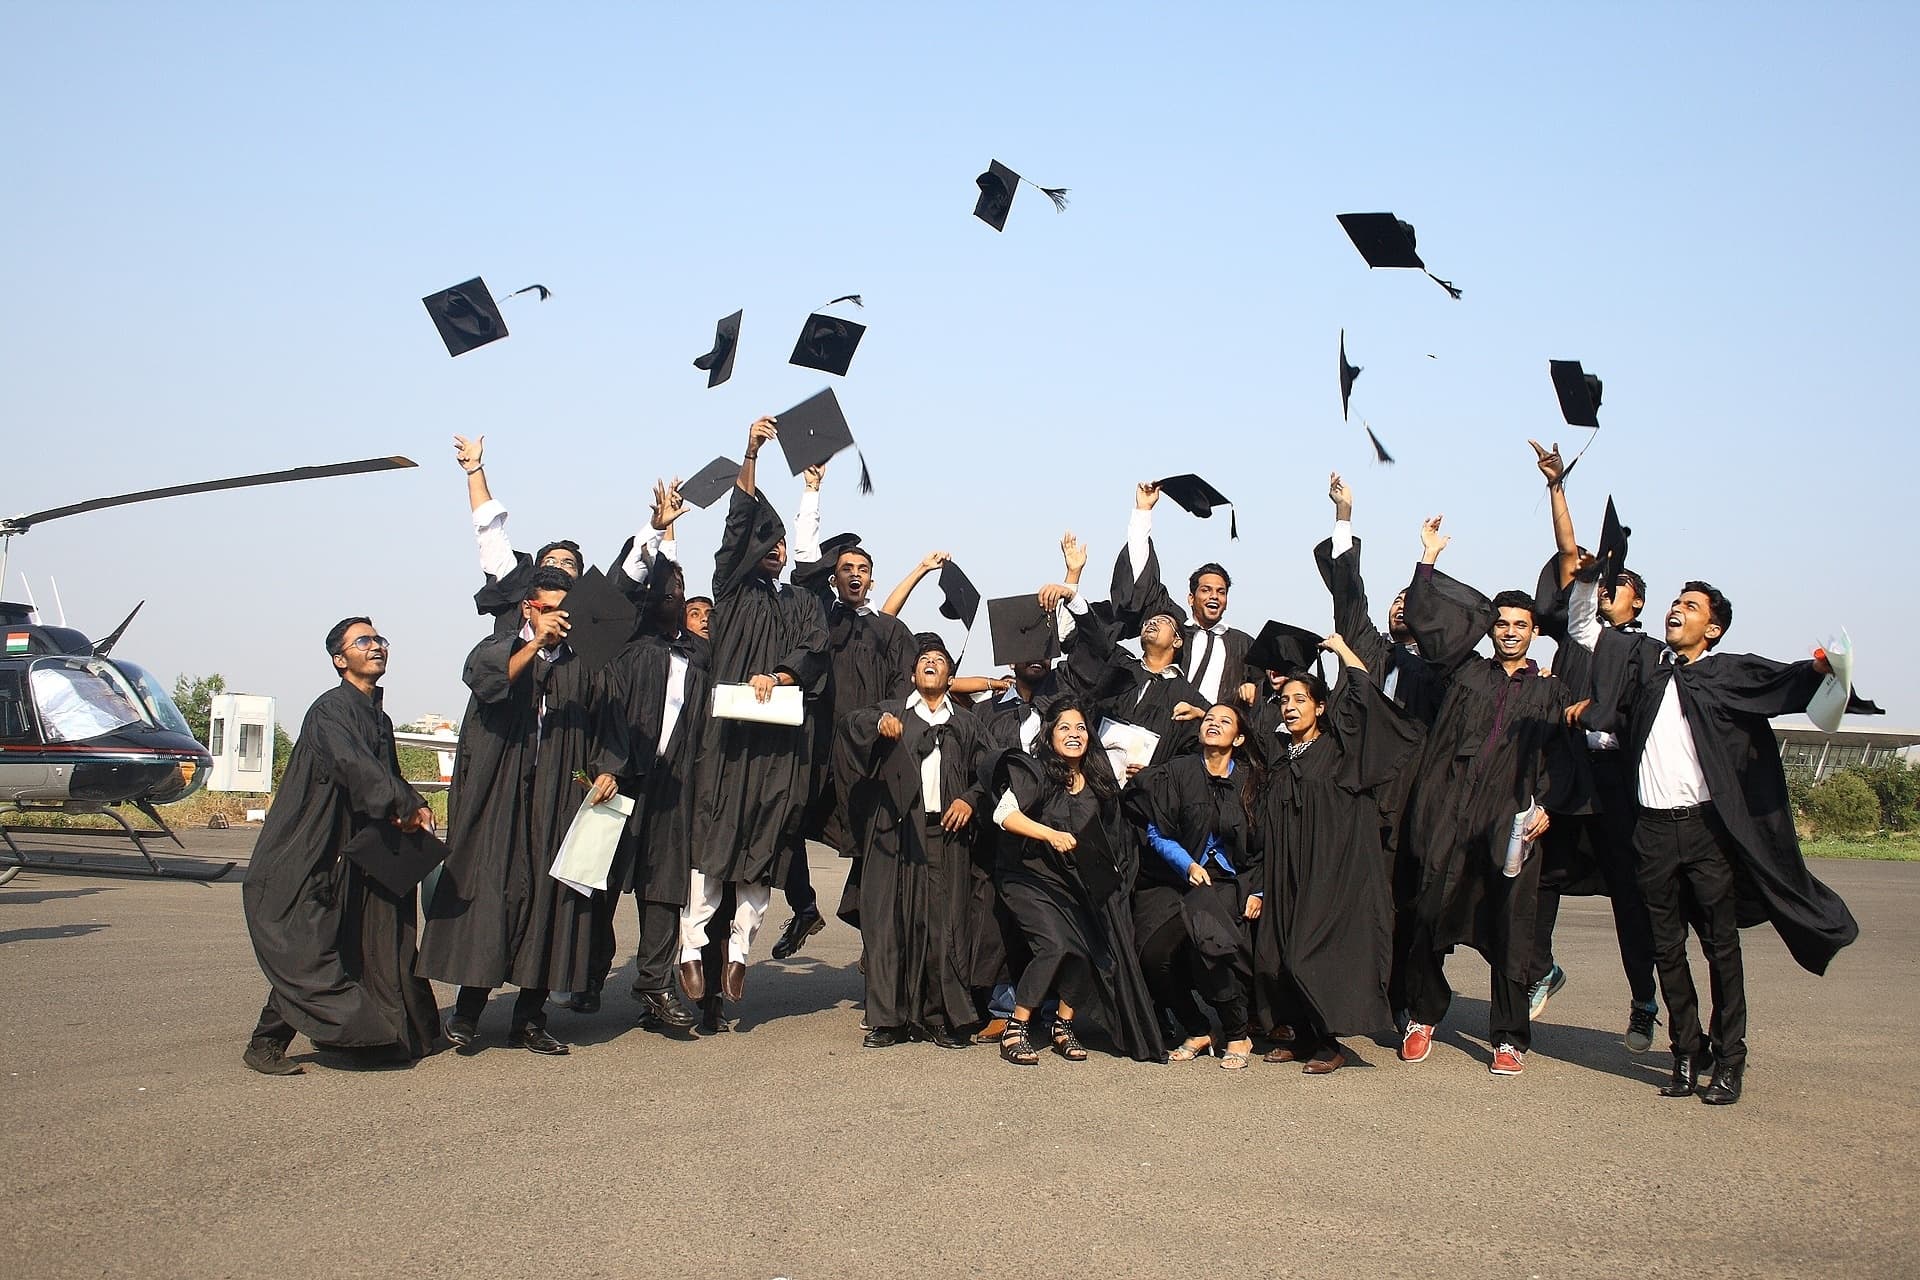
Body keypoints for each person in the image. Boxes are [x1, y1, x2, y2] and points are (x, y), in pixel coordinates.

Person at [1571, 582, 1858, 1105]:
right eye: (1676, 603)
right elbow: (1596, 645)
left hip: (1705, 831)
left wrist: (1818, 668)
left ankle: (1730, 1059)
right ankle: (1686, 1052)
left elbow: (1780, 681)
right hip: (1651, 831)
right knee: (1665, 947)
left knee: (1720, 947)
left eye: (1692, 607)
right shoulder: (1648, 670)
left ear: (1714, 628)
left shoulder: (1725, 672)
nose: (1677, 610)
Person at [417, 567, 626, 1056]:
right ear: (530, 608)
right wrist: (534, 646)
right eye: (551, 610)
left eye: (565, 611)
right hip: (500, 795)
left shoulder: (585, 664)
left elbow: (610, 724)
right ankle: (469, 1013)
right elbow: (488, 684)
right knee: (491, 898)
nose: (560, 620)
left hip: (558, 798)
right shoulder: (500, 647)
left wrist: (608, 768)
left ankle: (530, 1019)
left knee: (551, 904)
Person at [1397, 516, 1572, 1078]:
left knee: (1510, 928)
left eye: (1521, 624)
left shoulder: (1550, 691)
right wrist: (1427, 561)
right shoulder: (1466, 673)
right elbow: (1429, 625)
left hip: (1511, 817)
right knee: (1428, 911)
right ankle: (1423, 1015)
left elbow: (1565, 758)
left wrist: (1546, 805)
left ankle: (1509, 1036)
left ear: (1535, 632)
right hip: (1451, 809)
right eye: (1501, 624)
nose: (1510, 632)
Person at [241, 618, 441, 1074]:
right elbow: (353, 765)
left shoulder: (379, 717)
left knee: (370, 939)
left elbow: (385, 774)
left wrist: (414, 804)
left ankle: (379, 1035)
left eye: (379, 640)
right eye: (364, 641)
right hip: (316, 845)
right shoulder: (328, 711)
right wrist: (399, 800)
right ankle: (265, 1043)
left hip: (362, 849)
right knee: (314, 944)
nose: (376, 647)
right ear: (339, 658)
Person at [677, 417, 830, 1007]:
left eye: (784, 544)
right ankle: (692, 948)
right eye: (767, 543)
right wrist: (751, 454)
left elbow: (815, 652)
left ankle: (740, 951)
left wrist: (783, 674)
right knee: (713, 840)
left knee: (762, 843)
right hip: (728, 738)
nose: (777, 549)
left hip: (776, 744)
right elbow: (737, 520)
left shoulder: (802, 602)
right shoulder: (730, 593)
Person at [1524, 441, 1660, 1051]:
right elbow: (1570, 554)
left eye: (1619, 584)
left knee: (1629, 895)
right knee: (1543, 873)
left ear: (1640, 601)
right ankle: (1538, 969)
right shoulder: (1583, 634)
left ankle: (1643, 1000)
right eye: (1603, 584)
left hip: (1622, 784)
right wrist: (1557, 488)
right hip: (1569, 773)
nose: (1606, 589)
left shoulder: (1650, 656)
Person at [1252, 642, 1423, 1074]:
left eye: (1300, 700)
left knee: (1309, 953)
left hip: (1333, 868)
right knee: (1277, 953)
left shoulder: (1343, 750)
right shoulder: (1281, 756)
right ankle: (1302, 1034)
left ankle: (1330, 1042)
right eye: (1285, 701)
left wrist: (1343, 650)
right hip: (1287, 870)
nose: (1290, 708)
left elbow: (1366, 696)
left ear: (1321, 707)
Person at [771, 461, 917, 961]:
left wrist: (887, 719)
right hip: (818, 747)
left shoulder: (891, 632)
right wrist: (812, 493)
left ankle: (873, 939)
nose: (854, 576)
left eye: (861, 570)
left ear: (872, 579)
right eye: (845, 570)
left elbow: (901, 684)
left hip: (870, 753)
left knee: (873, 842)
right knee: (785, 825)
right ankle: (805, 905)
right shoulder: (820, 621)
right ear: (833, 581)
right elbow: (806, 563)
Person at [989, 697, 1165, 1065]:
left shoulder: (1100, 781)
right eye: (1064, 727)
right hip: (1028, 877)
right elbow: (1004, 815)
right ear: (1050, 735)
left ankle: (1062, 1024)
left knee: (1090, 948)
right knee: (1054, 944)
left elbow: (1115, 834)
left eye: (1081, 727)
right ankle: (1017, 1025)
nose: (1074, 734)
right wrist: (1049, 835)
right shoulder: (1035, 772)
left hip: (1075, 882)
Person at [838, 634, 989, 1049]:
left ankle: (938, 1016)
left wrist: (970, 799)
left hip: (946, 835)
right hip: (894, 833)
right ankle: (889, 1019)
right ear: (911, 673)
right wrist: (876, 726)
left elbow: (990, 773)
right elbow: (849, 727)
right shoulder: (893, 713)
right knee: (890, 923)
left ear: (950, 675)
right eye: (924, 659)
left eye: (939, 660)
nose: (931, 663)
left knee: (943, 925)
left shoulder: (966, 724)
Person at [596, 479, 706, 1032]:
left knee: (663, 889)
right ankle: (588, 974)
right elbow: (625, 583)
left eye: (682, 586)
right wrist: (660, 531)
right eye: (666, 584)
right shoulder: (626, 640)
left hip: (674, 784)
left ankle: (654, 987)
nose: (675, 592)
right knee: (601, 879)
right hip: (620, 776)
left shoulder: (698, 654)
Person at [1123, 703, 1266, 1070]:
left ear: (1240, 737)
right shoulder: (1176, 771)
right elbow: (1156, 831)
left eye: (1224, 721)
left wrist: (1259, 890)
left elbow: (1268, 845)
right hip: (1178, 876)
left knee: (1210, 945)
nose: (1213, 724)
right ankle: (1199, 1028)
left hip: (1230, 880)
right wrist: (1184, 862)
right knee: (1152, 956)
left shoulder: (1253, 781)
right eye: (1209, 719)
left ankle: (1237, 1034)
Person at [1113, 482, 1260, 707]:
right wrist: (1143, 511)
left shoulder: (1244, 644)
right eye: (1206, 590)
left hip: (1212, 733)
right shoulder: (1175, 629)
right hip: (1167, 724)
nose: (1214, 596)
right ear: (1191, 598)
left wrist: (1253, 689)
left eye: (1221, 592)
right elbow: (1144, 581)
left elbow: (1267, 687)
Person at [453, 434, 587, 629]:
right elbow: (489, 529)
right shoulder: (514, 590)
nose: (557, 566)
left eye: (568, 563)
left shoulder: (590, 621)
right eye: (550, 561)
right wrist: (474, 469)